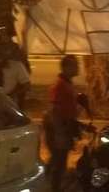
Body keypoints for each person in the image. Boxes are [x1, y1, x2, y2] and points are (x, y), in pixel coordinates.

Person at [44, 55, 85, 192]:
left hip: (63, 129)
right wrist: (60, 132)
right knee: (59, 162)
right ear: (67, 68)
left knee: (58, 160)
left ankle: (48, 183)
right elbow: (54, 110)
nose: (78, 68)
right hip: (59, 130)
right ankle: (52, 187)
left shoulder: (66, 84)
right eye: (75, 65)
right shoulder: (60, 85)